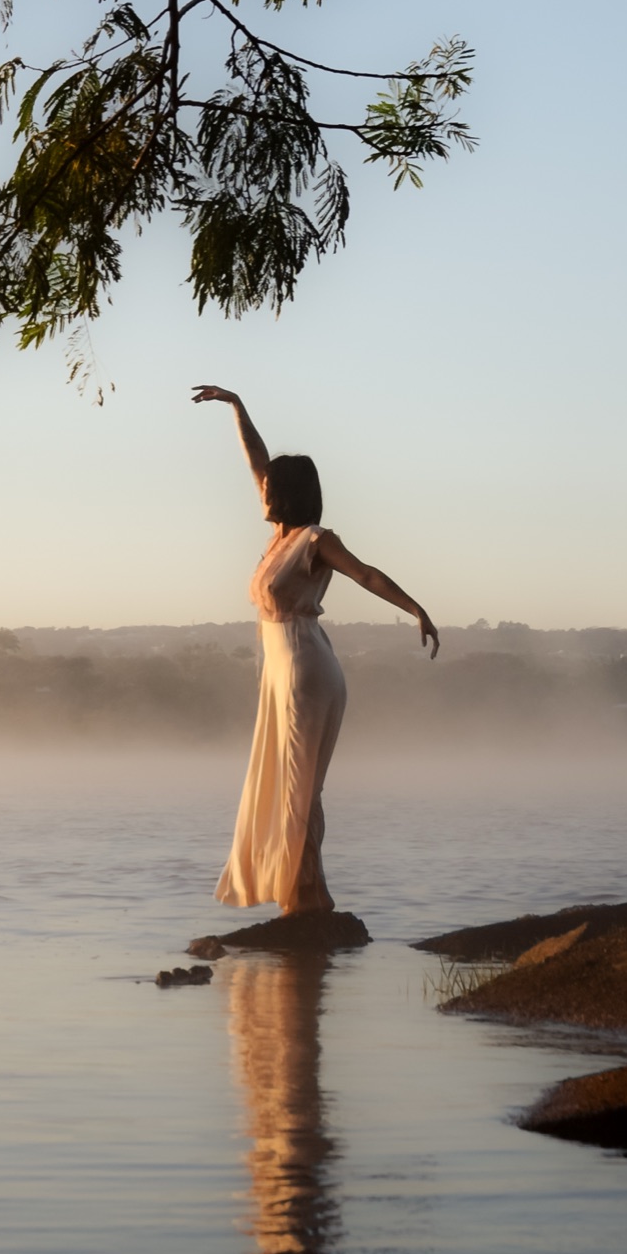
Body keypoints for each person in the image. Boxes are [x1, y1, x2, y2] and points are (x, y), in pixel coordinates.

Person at [193, 386, 439, 915]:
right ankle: (303, 895)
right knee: (290, 783)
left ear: (283, 495)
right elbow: (257, 461)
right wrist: (237, 406)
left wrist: (414, 607)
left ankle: (308, 900)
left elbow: (365, 572)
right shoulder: (278, 538)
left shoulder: (313, 539)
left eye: (269, 488)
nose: (260, 491)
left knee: (298, 787)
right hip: (281, 670)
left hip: (307, 666)